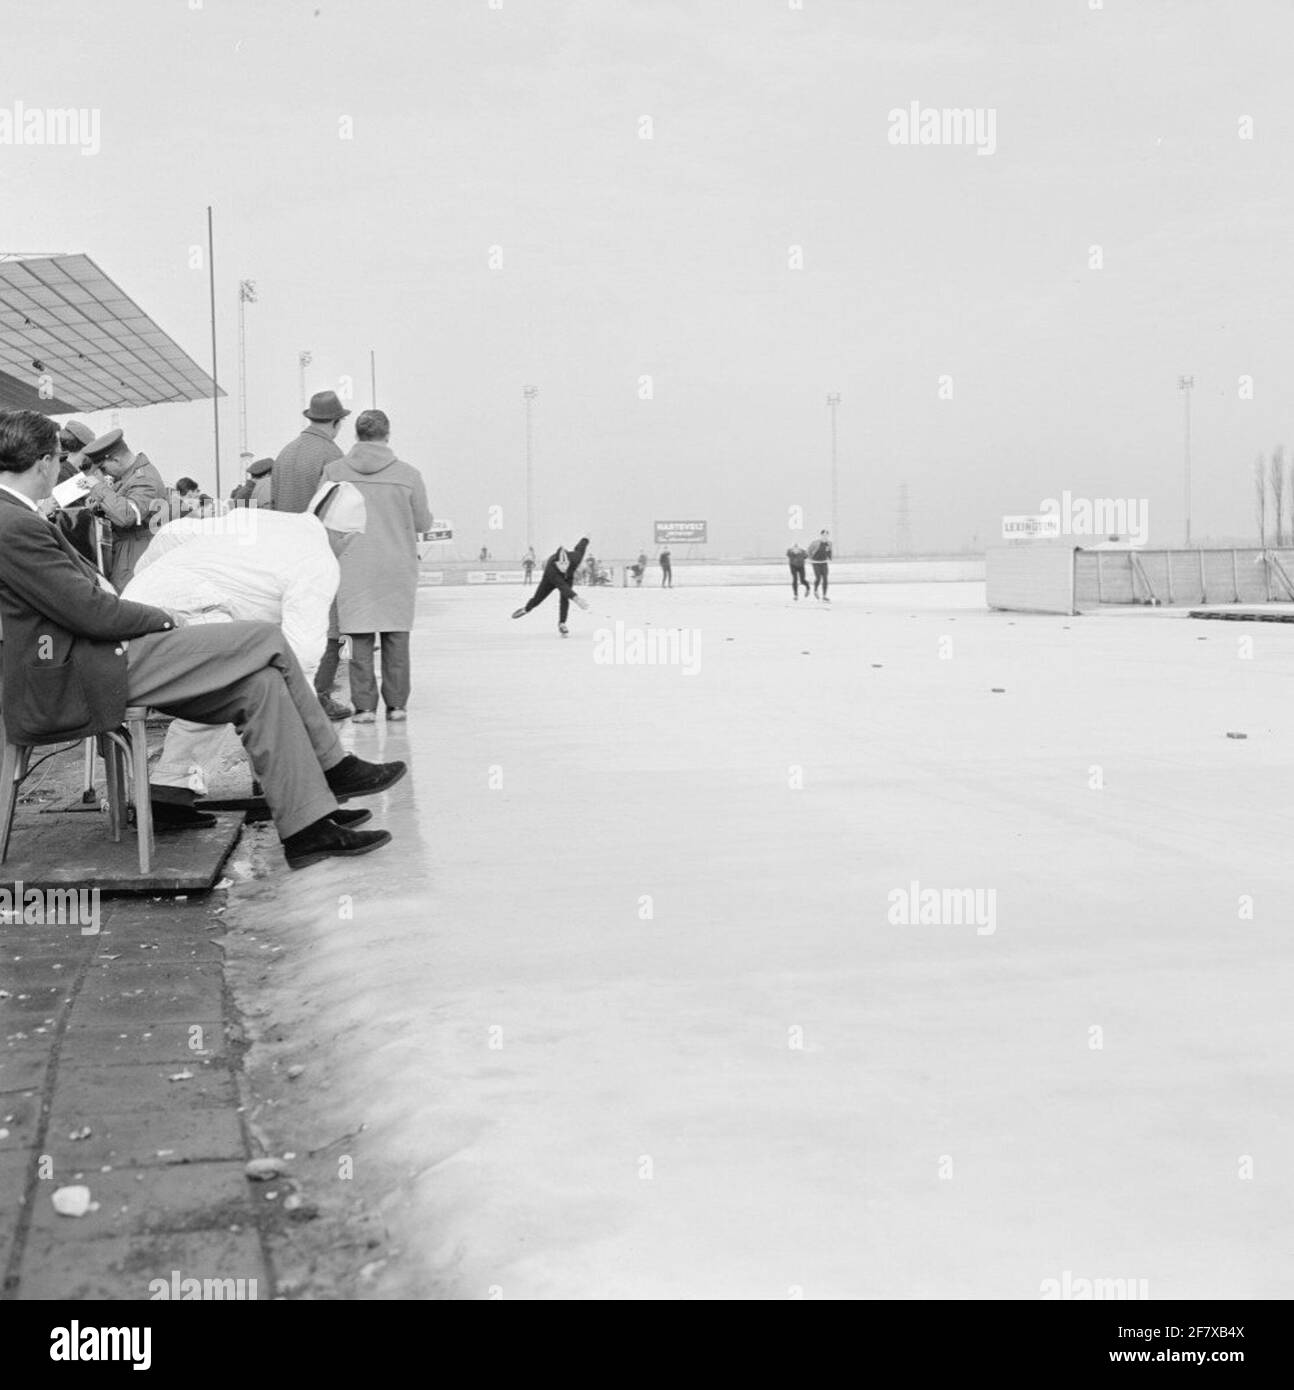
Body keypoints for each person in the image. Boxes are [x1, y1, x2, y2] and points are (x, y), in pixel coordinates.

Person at [0, 410, 403, 869]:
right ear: (44, 462)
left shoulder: (19, 518)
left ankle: (307, 826)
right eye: (60, 459)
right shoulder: (15, 524)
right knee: (266, 640)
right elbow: (91, 612)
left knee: (260, 686)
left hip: (93, 659)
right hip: (84, 669)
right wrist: (165, 618)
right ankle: (333, 765)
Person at [124, 481, 372, 826]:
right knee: (242, 686)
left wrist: (142, 586)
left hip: (142, 609)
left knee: (218, 689)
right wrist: (315, 732)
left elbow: (173, 532)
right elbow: (302, 657)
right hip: (190, 608)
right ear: (348, 536)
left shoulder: (259, 519)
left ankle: (169, 792)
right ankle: (316, 793)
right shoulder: (320, 559)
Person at [322, 409, 432, 723]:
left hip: (351, 564)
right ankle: (397, 707)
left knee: (358, 639)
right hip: (396, 566)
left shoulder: (334, 471)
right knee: (397, 637)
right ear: (387, 434)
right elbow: (423, 522)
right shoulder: (408, 475)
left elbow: (318, 515)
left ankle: (365, 708)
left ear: (356, 434)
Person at [79, 428, 168, 590]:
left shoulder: (145, 479)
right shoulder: (129, 477)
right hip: (128, 552)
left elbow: (126, 516)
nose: (105, 474)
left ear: (116, 460)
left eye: (103, 469)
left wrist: (98, 487)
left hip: (134, 556)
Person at [271, 390, 349, 513]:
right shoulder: (333, 455)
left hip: (284, 530)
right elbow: (337, 510)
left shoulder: (285, 453)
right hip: (315, 531)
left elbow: (274, 501)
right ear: (336, 422)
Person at [511, 537, 591, 635]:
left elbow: (580, 548)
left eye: (566, 565)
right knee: (537, 599)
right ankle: (526, 609)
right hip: (550, 580)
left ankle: (562, 623)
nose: (564, 568)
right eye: (561, 566)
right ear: (556, 563)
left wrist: (585, 539)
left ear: (569, 561)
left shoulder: (575, 558)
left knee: (564, 598)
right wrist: (576, 598)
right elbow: (562, 586)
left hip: (567, 578)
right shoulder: (551, 570)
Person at [807, 529, 832, 601]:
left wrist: (829, 558)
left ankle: (824, 596)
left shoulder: (829, 543)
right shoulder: (815, 543)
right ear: (820, 535)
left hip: (824, 562)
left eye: (826, 535)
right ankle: (815, 590)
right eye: (823, 535)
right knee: (818, 578)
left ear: (828, 535)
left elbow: (829, 551)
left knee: (825, 579)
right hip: (815, 563)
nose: (825, 536)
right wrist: (809, 558)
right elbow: (809, 550)